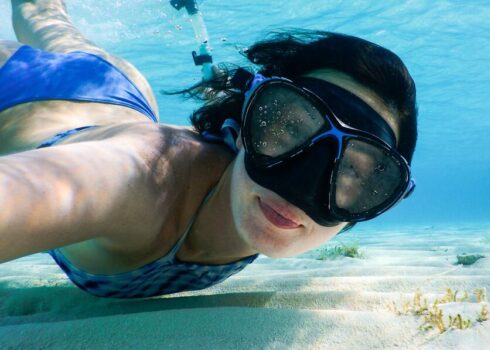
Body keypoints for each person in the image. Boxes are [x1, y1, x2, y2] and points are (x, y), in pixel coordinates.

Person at [0, 0, 418, 298]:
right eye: (290, 127)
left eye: (354, 174)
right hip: (21, 94)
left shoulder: (252, 197)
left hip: (122, 92)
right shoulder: (143, 177)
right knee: (38, 13)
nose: (301, 188)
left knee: (43, 14)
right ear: (245, 125)